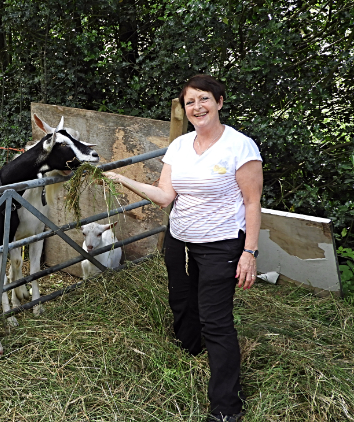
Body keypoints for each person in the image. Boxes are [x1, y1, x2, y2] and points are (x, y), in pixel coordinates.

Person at [104, 74, 262, 422]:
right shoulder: (179, 146)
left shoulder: (240, 147)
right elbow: (165, 197)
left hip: (221, 244)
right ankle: (190, 348)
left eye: (204, 99)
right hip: (180, 240)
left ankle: (225, 408)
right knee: (181, 300)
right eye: (190, 102)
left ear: (219, 102)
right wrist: (123, 179)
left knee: (216, 320)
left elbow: (252, 203)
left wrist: (249, 253)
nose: (197, 107)